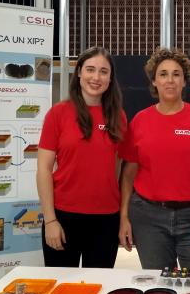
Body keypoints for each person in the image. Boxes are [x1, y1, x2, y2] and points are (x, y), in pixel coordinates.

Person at [118, 48, 190, 271]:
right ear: (154, 81)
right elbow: (128, 175)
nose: (170, 80)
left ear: (184, 81)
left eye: (176, 74)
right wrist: (124, 217)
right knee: (159, 289)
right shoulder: (140, 121)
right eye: (163, 74)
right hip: (148, 219)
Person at [37, 46, 126, 268]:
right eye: (90, 69)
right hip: (63, 217)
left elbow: (116, 167)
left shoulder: (118, 116)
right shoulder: (58, 114)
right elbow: (44, 170)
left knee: (97, 291)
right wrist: (50, 220)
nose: (96, 77)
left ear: (110, 78)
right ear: (79, 73)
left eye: (104, 71)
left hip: (106, 219)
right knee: (60, 293)